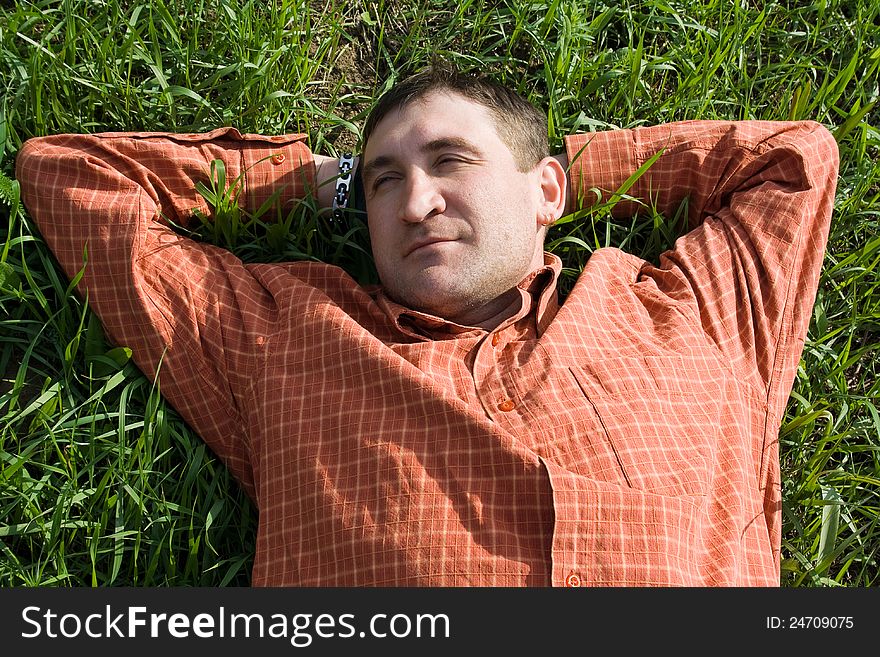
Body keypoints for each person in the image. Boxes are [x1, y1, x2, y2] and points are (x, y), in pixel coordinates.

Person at [15, 64, 839, 586]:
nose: (414, 203)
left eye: (451, 161)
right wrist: (322, 181)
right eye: (382, 182)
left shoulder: (698, 318)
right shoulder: (287, 341)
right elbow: (73, 178)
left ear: (548, 191)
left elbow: (793, 157)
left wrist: (546, 174)